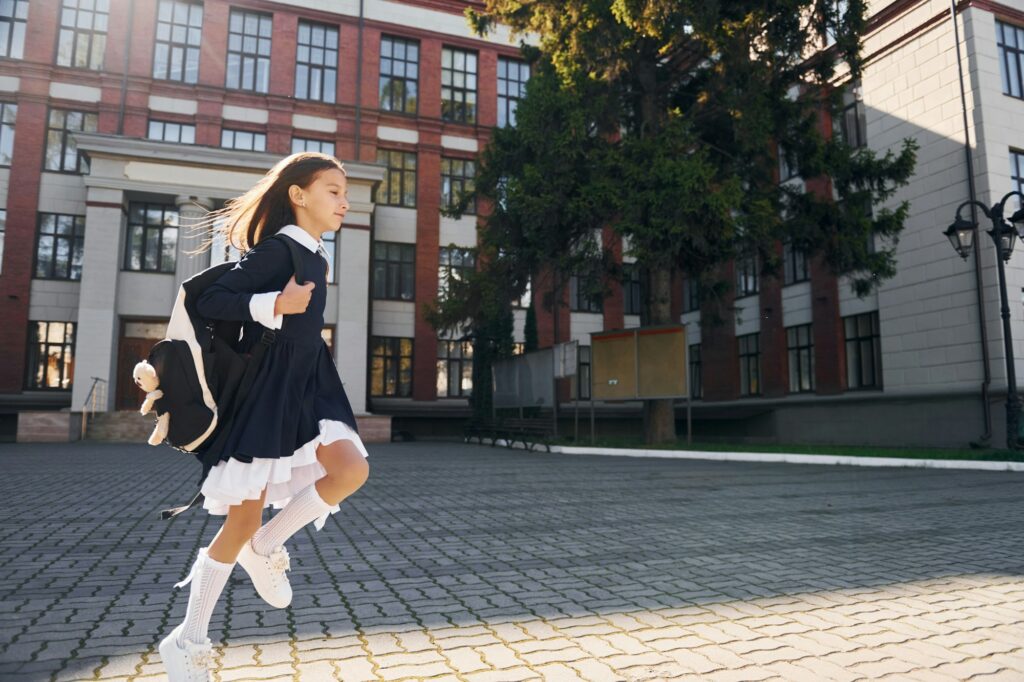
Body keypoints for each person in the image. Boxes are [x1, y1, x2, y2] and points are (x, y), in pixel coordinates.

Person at [158, 152, 371, 681]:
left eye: (345, 192)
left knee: (350, 469)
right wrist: (274, 301)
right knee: (242, 517)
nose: (344, 200)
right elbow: (217, 300)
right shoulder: (279, 251)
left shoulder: (317, 255)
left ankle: (267, 546)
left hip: (311, 381)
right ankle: (187, 642)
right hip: (271, 389)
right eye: (332, 190)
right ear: (298, 196)